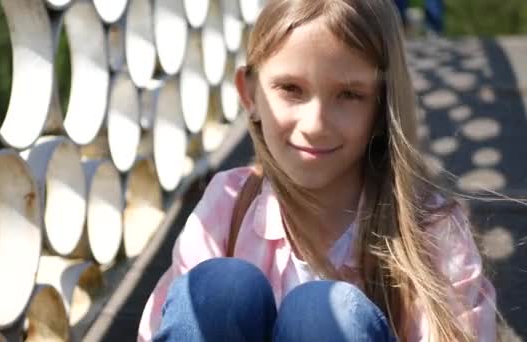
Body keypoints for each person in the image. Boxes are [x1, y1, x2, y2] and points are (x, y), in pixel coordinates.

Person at [138, 0, 496, 341]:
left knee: (324, 316)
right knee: (217, 289)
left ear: (382, 107)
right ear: (251, 96)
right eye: (291, 89)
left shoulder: (431, 232)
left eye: (349, 95)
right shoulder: (229, 205)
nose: (316, 124)